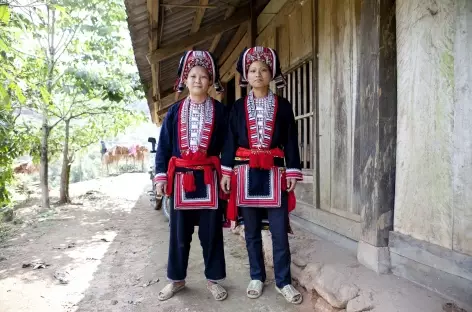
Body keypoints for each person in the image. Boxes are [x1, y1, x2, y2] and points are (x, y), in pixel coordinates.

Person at [220, 46, 303, 304]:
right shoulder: (237, 107)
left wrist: (292, 170)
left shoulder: (283, 106)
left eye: (263, 70)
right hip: (245, 174)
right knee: (252, 230)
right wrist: (225, 172)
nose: (258, 74)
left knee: (278, 231)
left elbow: (290, 140)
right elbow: (229, 141)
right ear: (246, 75)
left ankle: (283, 281)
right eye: (253, 70)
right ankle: (256, 275)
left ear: (271, 74)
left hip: (274, 173)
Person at [154, 50, 228, 301]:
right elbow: (163, 147)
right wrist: (161, 177)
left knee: (211, 233)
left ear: (211, 81)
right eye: (193, 76)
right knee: (179, 233)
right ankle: (176, 280)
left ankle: (213, 280)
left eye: (204, 76)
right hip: (180, 179)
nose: (198, 80)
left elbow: (228, 145)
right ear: (185, 80)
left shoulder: (221, 112)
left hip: (208, 178)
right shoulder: (174, 112)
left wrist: (226, 172)